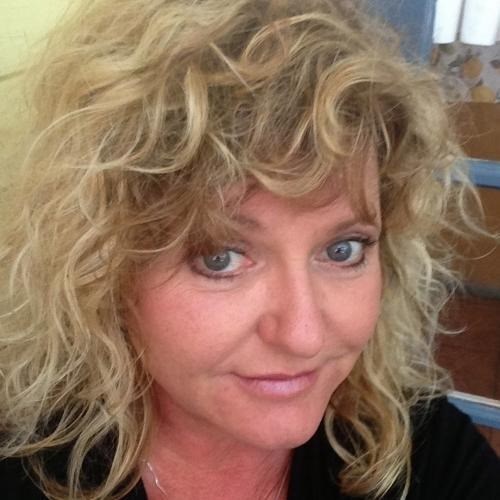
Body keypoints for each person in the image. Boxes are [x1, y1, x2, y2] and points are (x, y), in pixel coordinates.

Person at [0, 0, 499, 498]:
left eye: (343, 250)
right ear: (102, 266)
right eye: (220, 258)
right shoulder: (23, 472)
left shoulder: (428, 455)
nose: (303, 337)